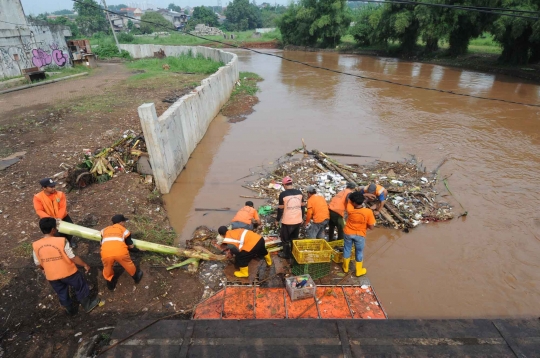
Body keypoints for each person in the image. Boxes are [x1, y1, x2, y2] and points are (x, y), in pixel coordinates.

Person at [32, 218, 100, 315]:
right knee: (80, 286)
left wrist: (43, 269)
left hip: (52, 276)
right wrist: (85, 264)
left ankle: (70, 310)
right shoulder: (61, 241)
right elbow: (72, 257)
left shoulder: (36, 245)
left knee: (61, 292)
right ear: (53, 229)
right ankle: (87, 305)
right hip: (68, 272)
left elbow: (37, 263)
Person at [100, 214, 143, 291]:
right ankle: (136, 277)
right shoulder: (125, 231)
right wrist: (139, 250)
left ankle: (110, 286)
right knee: (128, 264)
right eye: (124, 222)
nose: (124, 224)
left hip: (106, 253)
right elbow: (131, 247)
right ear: (120, 222)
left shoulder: (104, 230)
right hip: (120, 252)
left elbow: (101, 243)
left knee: (107, 268)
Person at [33, 178, 77, 248]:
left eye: (54, 186)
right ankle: (64, 245)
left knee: (69, 230)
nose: (54, 188)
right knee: (57, 234)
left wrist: (59, 218)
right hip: (49, 219)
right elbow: (39, 210)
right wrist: (51, 219)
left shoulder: (60, 194)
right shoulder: (38, 197)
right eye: (51, 187)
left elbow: (62, 207)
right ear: (44, 188)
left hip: (63, 217)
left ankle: (71, 240)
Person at [342, 191, 376, 277]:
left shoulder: (350, 209)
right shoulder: (368, 212)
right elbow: (372, 227)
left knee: (347, 249)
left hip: (348, 233)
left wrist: (359, 196)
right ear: (363, 201)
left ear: (353, 202)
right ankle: (359, 271)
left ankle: (345, 268)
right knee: (359, 252)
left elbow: (349, 197)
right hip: (360, 235)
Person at [276, 176, 305, 259]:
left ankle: (286, 254)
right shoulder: (299, 192)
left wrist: (277, 219)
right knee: (294, 238)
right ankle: (293, 253)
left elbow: (280, 209)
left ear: (284, 185)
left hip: (288, 221)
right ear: (291, 184)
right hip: (298, 220)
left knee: (285, 239)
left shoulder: (283, 194)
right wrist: (302, 217)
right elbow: (303, 206)